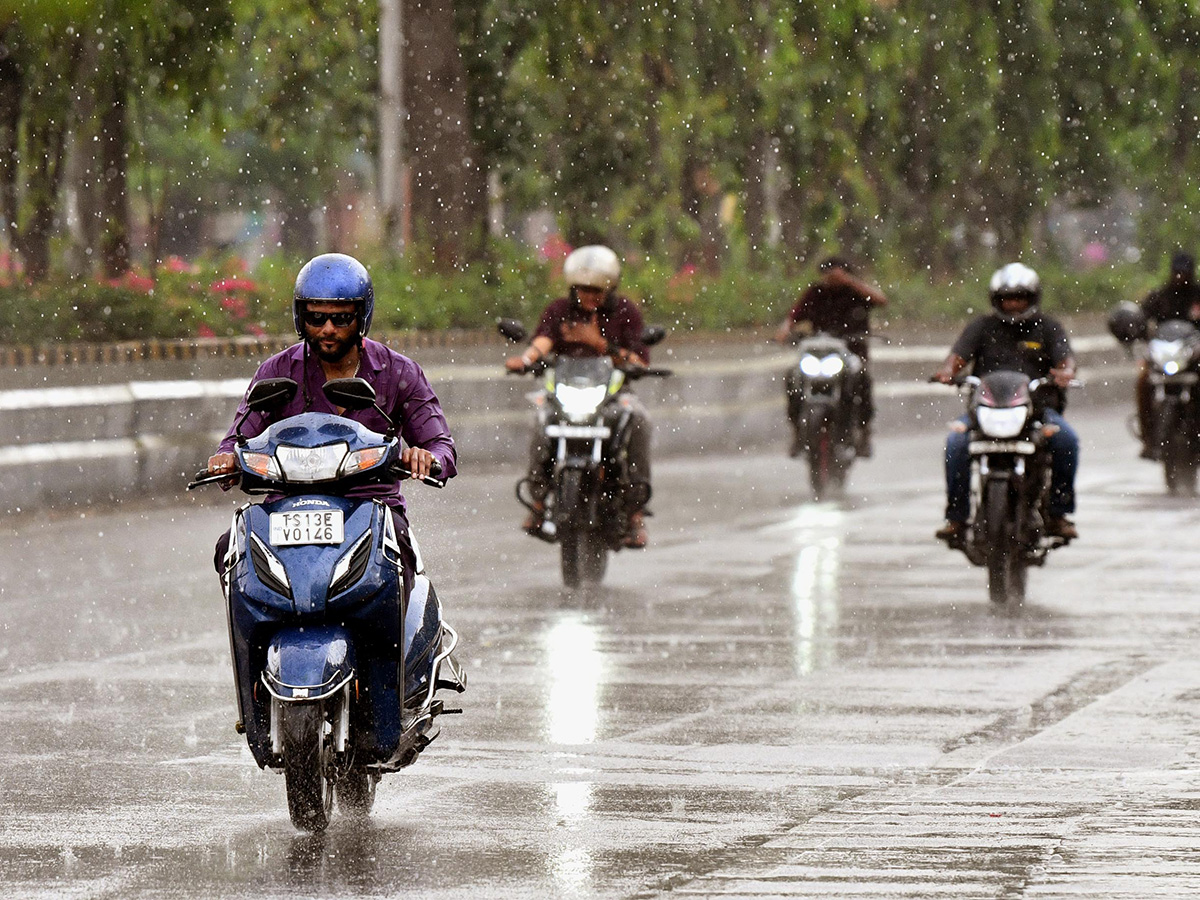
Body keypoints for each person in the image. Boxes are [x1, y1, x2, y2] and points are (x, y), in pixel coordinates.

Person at [207, 252, 457, 587]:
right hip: (285, 510)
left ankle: (403, 636)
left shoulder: (400, 371)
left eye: (340, 319)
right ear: (300, 318)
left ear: (361, 317)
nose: (327, 329)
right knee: (230, 549)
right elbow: (238, 436)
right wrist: (225, 461)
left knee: (400, 550)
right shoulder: (276, 371)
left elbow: (440, 444)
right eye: (316, 318)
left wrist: (427, 458)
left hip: (371, 508)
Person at [505, 244, 653, 548]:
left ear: (610, 288)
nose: (589, 296)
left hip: (612, 396)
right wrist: (526, 359)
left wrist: (600, 344)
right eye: (583, 289)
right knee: (539, 420)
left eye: (596, 290)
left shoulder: (625, 312)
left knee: (639, 420)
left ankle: (635, 513)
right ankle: (537, 501)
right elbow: (543, 341)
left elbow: (638, 361)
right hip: (564, 395)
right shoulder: (559, 311)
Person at [931, 262, 1079, 542]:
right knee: (955, 444)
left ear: (1032, 298)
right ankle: (956, 518)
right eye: (1006, 298)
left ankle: (1058, 514)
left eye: (1019, 297)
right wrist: (948, 372)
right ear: (996, 300)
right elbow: (957, 357)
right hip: (985, 412)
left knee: (1067, 441)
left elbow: (1065, 358)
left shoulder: (1048, 327)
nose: (1012, 304)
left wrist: (1066, 372)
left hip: (1037, 412)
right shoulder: (981, 327)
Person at [775, 255, 888, 457]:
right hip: (819, 354)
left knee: (862, 380)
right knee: (793, 378)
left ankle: (864, 431)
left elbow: (881, 300)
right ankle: (797, 431)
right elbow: (794, 315)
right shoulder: (815, 293)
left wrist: (851, 282)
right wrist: (785, 330)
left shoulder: (856, 292)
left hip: (851, 353)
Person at [1135, 251, 1200, 459]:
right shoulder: (1160, 296)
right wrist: (1136, 329)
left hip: (1194, 359)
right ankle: (1148, 436)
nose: (1181, 277)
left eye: (1185, 272)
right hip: (1163, 358)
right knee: (1143, 381)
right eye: (1177, 272)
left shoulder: (1198, 295)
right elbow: (1140, 320)